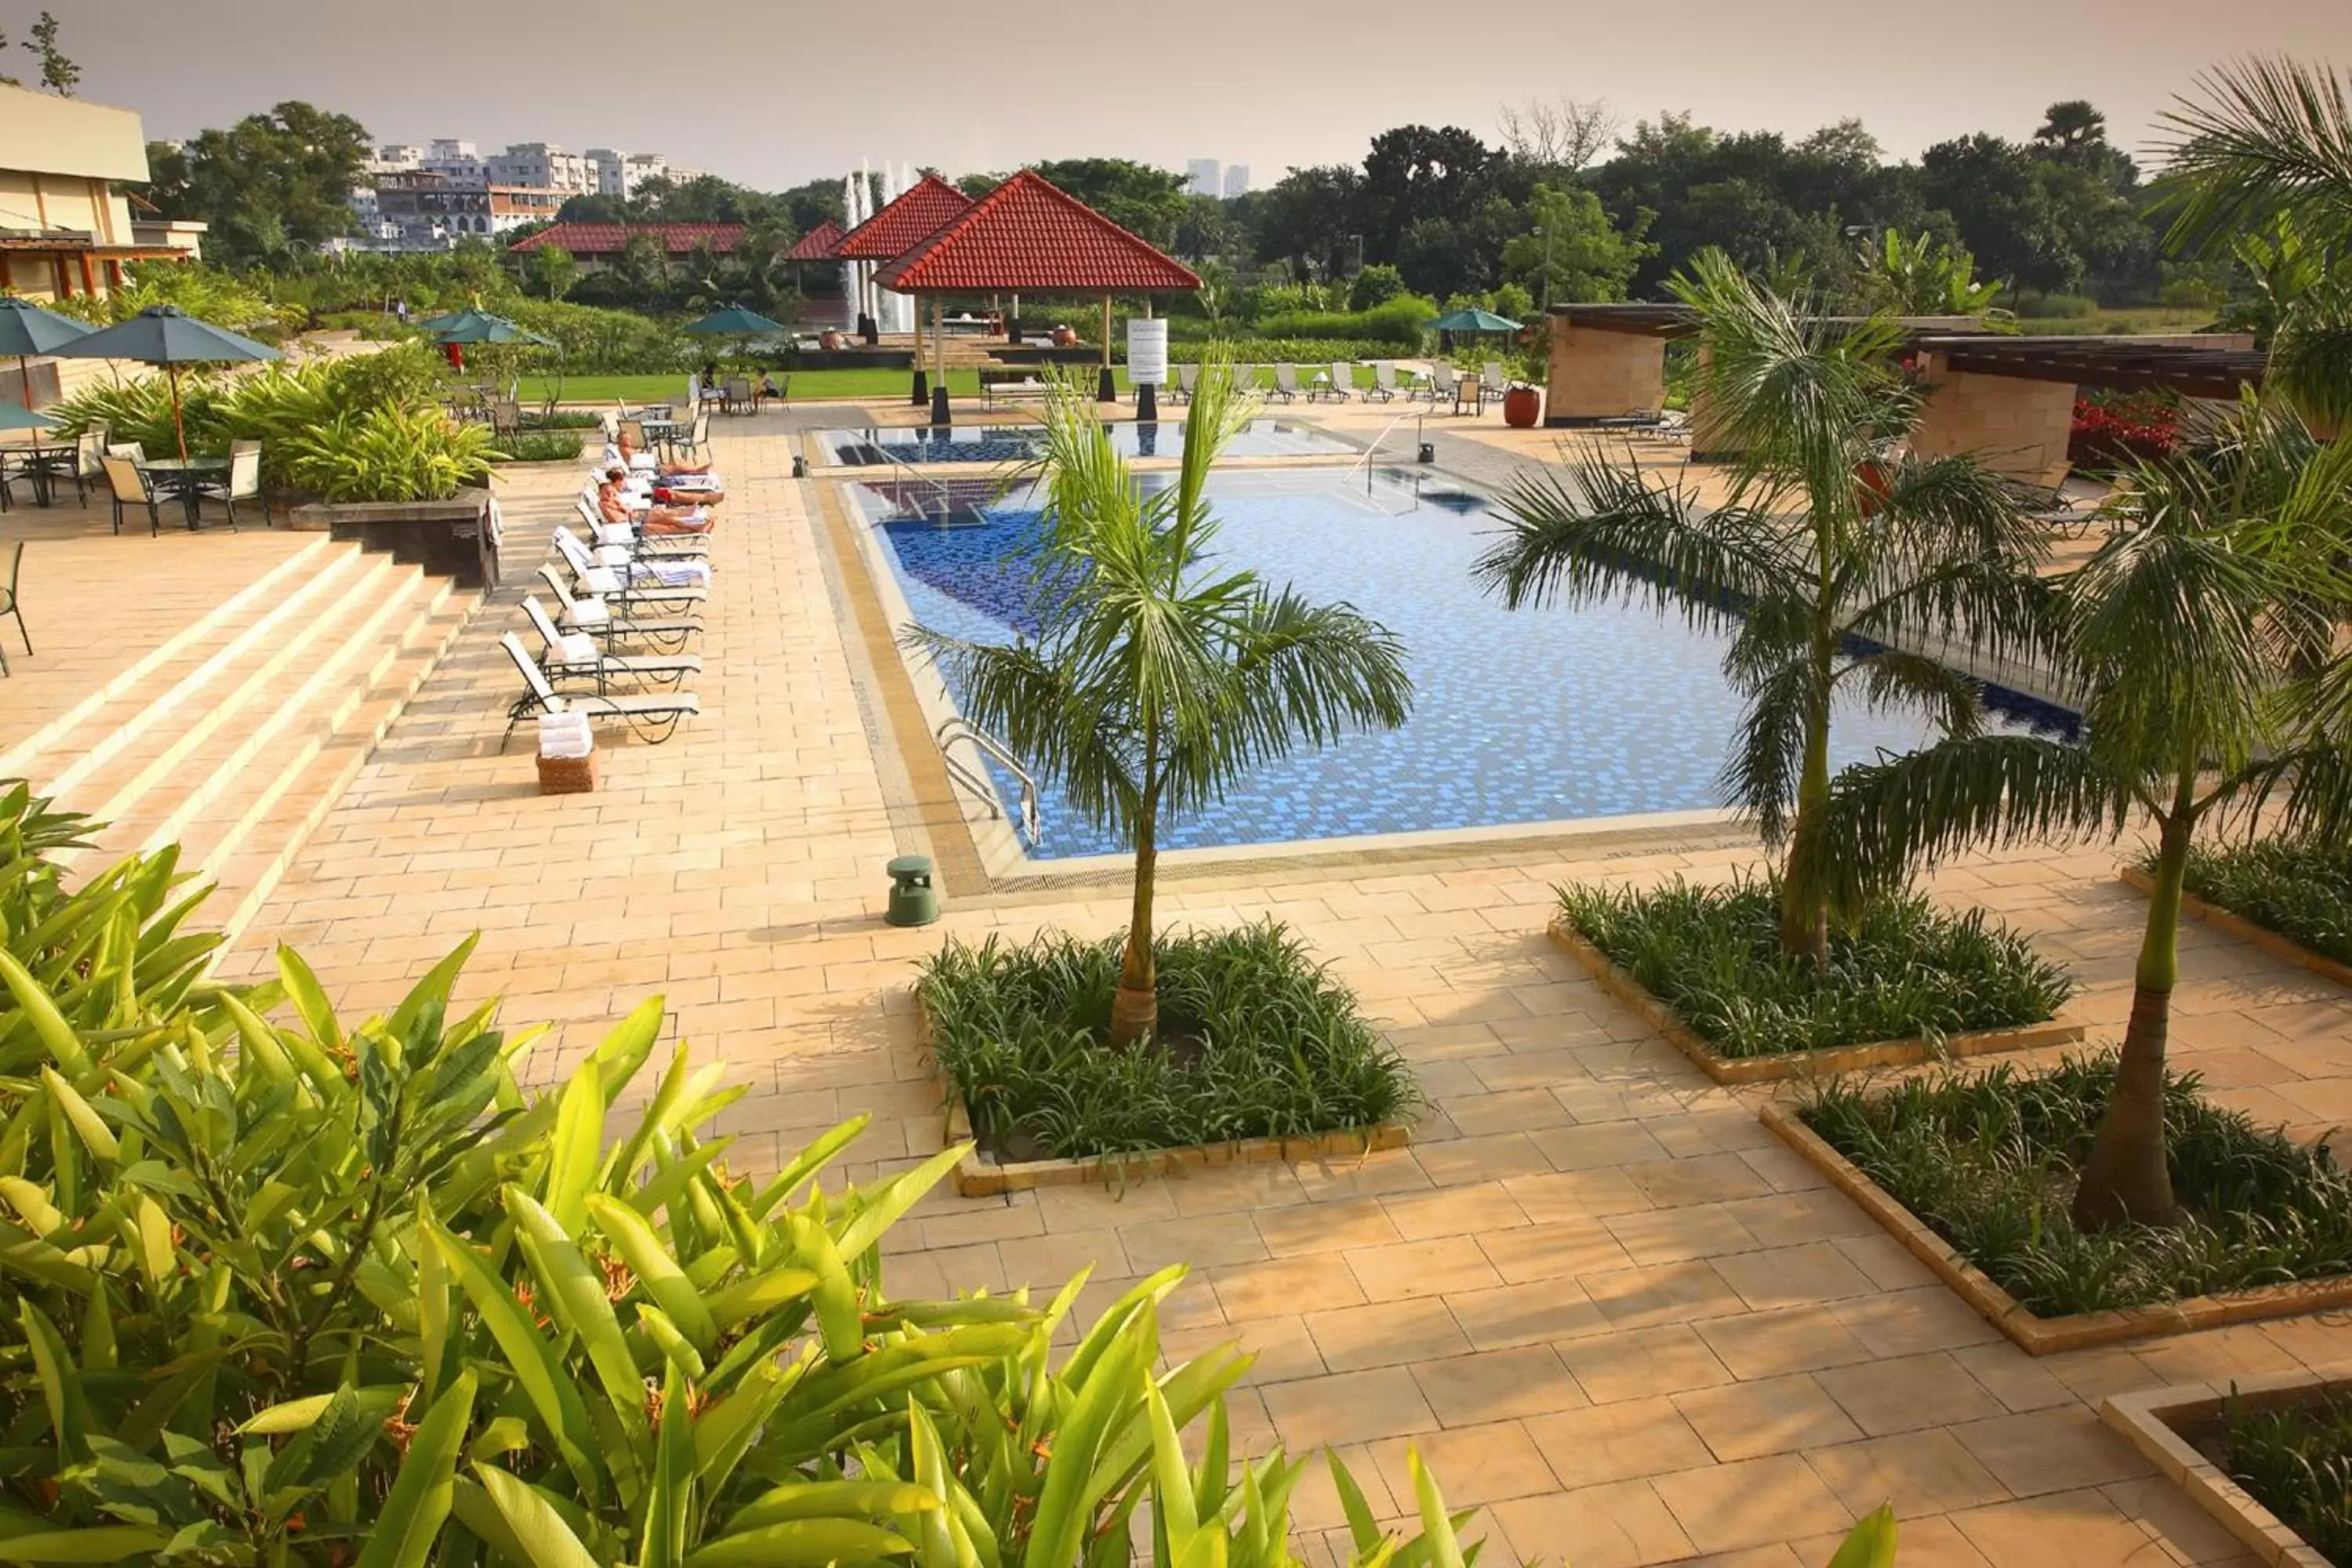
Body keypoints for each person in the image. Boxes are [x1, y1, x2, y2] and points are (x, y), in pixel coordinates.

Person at [599, 466, 711, 536]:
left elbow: (624, 511)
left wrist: (621, 506)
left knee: (666, 518)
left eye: (613, 493)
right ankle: (696, 528)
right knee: (668, 527)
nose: (612, 495)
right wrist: (622, 508)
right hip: (636, 527)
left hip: (638, 519)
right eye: (609, 493)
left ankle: (695, 525)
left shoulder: (611, 502)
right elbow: (619, 520)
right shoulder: (606, 506)